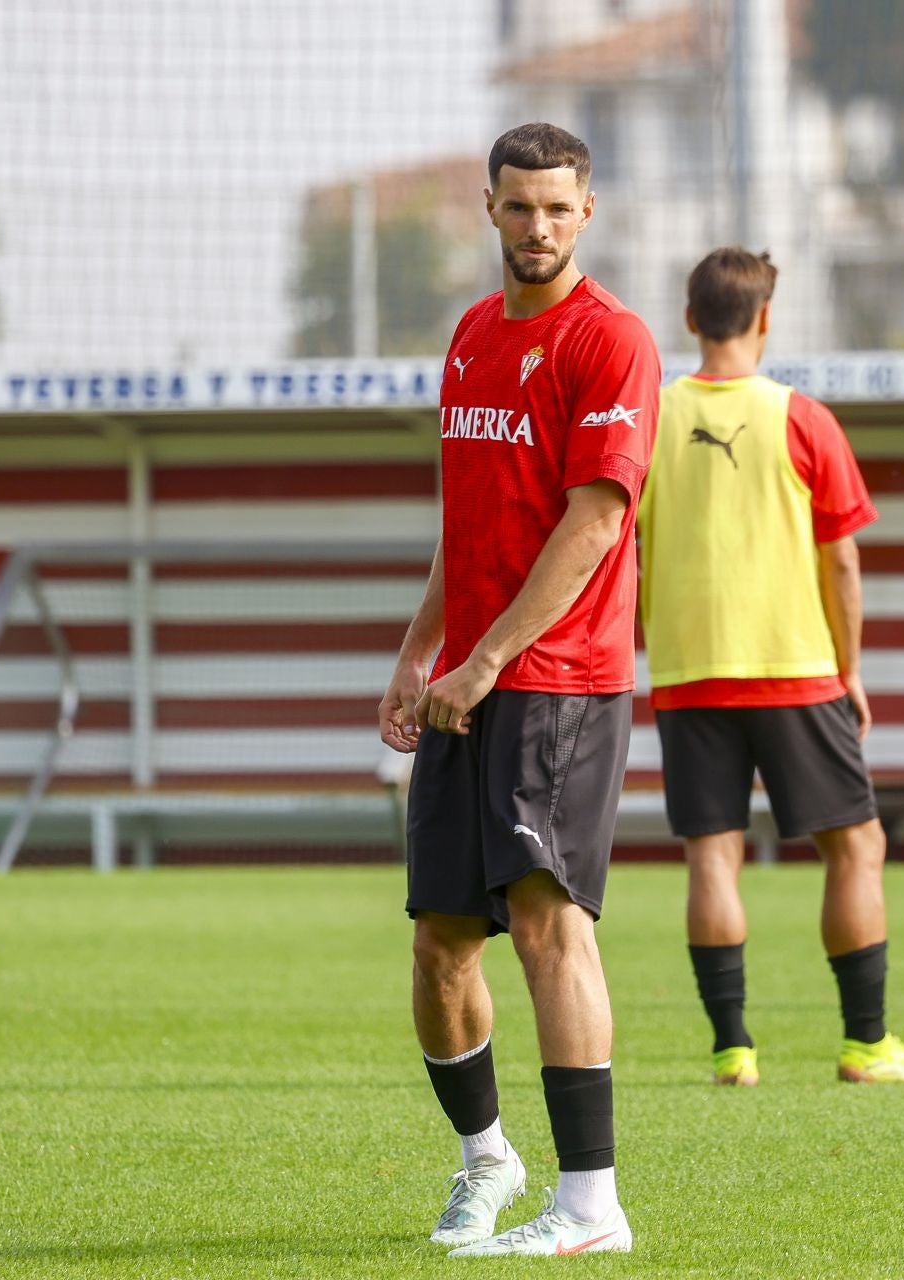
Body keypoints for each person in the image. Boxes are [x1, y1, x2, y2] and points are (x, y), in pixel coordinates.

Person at [378, 122, 659, 1256]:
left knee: (549, 924)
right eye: (517, 206)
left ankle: (592, 1205)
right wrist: (420, 650)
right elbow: (468, 518)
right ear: (487, 209)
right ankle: (486, 1159)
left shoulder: (613, 341)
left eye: (557, 207)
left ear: (587, 211)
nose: (536, 227)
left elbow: (594, 522)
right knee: (441, 945)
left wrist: (489, 655)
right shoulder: (469, 336)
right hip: (467, 679)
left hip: (559, 678)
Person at [636, 246, 904, 1088]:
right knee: (856, 846)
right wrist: (850, 666)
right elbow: (843, 561)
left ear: (689, 319)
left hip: (687, 674)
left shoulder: (647, 418)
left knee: (714, 859)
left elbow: (617, 548)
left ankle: (733, 1050)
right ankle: (866, 1044)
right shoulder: (801, 417)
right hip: (795, 669)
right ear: (766, 317)